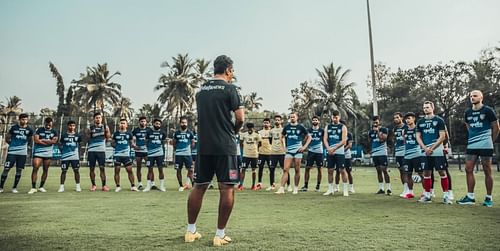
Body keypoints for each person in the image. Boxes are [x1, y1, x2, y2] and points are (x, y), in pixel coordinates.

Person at [185, 55, 244, 247]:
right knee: (226, 188)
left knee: (199, 186)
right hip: (225, 146)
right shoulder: (230, 89)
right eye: (232, 70)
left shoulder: (201, 91)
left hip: (204, 146)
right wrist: (233, 132)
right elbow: (240, 118)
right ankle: (219, 234)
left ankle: (190, 231)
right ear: (227, 70)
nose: (232, 74)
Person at [457, 90, 499, 207]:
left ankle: (488, 198)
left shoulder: (488, 110)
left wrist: (490, 140)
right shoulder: (468, 112)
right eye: (471, 96)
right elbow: (468, 125)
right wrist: (473, 136)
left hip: (486, 144)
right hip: (472, 144)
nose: (472, 97)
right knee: (468, 169)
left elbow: (496, 127)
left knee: (487, 170)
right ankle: (470, 197)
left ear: (481, 97)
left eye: (475, 96)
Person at [416, 101, 451, 204]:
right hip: (424, 151)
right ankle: (427, 195)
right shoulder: (420, 122)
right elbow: (418, 136)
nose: (425, 109)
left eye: (427, 107)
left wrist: (432, 148)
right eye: (424, 107)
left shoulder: (439, 120)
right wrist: (424, 148)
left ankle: (446, 195)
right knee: (426, 172)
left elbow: (442, 136)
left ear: (432, 108)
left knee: (442, 172)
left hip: (437, 150)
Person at [275, 112, 309, 195]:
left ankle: (296, 188)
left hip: (298, 151)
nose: (292, 118)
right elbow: (282, 137)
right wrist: (284, 147)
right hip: (289, 151)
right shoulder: (287, 127)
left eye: (293, 117)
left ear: (297, 117)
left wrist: (304, 147)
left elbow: (309, 137)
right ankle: (282, 188)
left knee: (297, 170)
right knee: (285, 169)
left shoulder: (301, 127)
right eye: (291, 117)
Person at [0, 114, 34, 193]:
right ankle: (1, 187)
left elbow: (30, 140)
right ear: (19, 119)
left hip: (22, 153)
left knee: (19, 170)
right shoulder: (13, 128)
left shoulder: (29, 129)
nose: (24, 121)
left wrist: (26, 147)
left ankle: (14, 188)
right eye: (23, 119)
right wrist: (12, 144)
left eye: (26, 119)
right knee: (6, 168)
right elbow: (7, 138)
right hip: (12, 152)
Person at [29, 117, 58, 194]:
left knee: (45, 169)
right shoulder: (39, 130)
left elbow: (54, 141)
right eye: (47, 124)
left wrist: (43, 140)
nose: (48, 126)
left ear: (52, 124)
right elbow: (36, 140)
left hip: (48, 153)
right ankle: (33, 187)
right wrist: (48, 142)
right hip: (38, 152)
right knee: (35, 168)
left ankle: (41, 187)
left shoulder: (54, 131)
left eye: (50, 125)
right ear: (44, 123)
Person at [323, 111, 348, 196]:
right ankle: (330, 189)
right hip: (330, 152)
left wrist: (334, 148)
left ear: (339, 117)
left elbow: (344, 141)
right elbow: (325, 139)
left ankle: (345, 190)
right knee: (330, 170)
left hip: (339, 152)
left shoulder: (343, 127)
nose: (334, 119)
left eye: (336, 117)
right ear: (331, 117)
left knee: (342, 170)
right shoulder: (328, 127)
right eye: (333, 117)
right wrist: (328, 148)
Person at [401, 112, 423, 199]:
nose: (407, 120)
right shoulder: (404, 131)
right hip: (407, 156)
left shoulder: (418, 129)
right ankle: (410, 192)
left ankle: (426, 191)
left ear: (414, 119)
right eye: (406, 119)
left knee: (421, 173)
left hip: (417, 155)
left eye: (409, 118)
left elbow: (421, 141)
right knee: (408, 174)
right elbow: (405, 142)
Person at [87, 112, 111, 192]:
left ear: (102, 119)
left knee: (102, 168)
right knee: (91, 169)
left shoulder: (105, 127)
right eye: (96, 118)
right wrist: (89, 133)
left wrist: (106, 132)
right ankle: (93, 185)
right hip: (92, 150)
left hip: (101, 151)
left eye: (99, 117)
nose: (98, 119)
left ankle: (104, 185)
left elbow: (108, 137)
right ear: (94, 119)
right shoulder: (90, 127)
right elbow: (88, 138)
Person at [368, 116, 391, 195]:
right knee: (378, 171)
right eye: (374, 122)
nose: (375, 123)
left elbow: (382, 139)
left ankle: (388, 188)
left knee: (384, 170)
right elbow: (371, 141)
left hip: (382, 153)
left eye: (376, 122)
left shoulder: (384, 130)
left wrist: (378, 131)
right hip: (375, 153)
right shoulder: (371, 132)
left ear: (379, 122)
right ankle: (381, 188)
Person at [111, 119, 137, 192]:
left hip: (126, 155)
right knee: (117, 170)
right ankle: (118, 186)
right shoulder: (116, 134)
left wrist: (136, 147)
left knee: (129, 170)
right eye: (121, 123)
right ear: (119, 125)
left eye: (124, 123)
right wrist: (118, 147)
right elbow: (112, 143)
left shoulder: (129, 134)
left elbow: (132, 144)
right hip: (117, 155)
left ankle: (133, 186)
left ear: (126, 125)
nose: (122, 124)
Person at [143, 118, 167, 192]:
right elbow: (146, 142)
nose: (158, 125)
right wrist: (149, 150)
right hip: (150, 154)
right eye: (156, 124)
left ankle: (162, 186)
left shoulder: (163, 132)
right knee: (150, 169)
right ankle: (148, 186)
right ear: (153, 124)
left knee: (160, 169)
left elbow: (163, 142)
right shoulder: (148, 132)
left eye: (159, 124)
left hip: (160, 154)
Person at [58, 120, 82, 192]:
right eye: (70, 125)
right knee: (64, 171)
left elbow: (80, 145)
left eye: (73, 126)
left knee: (76, 171)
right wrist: (62, 152)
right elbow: (60, 144)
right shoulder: (64, 135)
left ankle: (78, 186)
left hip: (75, 157)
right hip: (65, 156)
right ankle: (61, 186)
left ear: (75, 127)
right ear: (68, 126)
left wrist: (79, 154)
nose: (72, 127)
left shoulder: (78, 135)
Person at [301, 116, 324, 192]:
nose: (314, 121)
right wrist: (305, 140)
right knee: (307, 168)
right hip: (311, 151)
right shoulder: (308, 130)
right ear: (312, 121)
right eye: (313, 120)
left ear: (319, 121)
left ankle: (318, 186)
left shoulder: (322, 131)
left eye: (316, 120)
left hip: (319, 152)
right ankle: (306, 186)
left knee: (320, 169)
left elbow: (325, 140)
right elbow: (304, 140)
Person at [173, 116, 195, 192]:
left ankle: (192, 184)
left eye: (185, 122)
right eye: (182, 122)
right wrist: (178, 150)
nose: (184, 124)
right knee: (178, 170)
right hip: (178, 155)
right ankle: (181, 185)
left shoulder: (190, 133)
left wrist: (189, 150)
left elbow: (192, 143)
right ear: (180, 123)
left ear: (187, 123)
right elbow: (174, 143)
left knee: (191, 170)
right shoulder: (176, 133)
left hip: (188, 154)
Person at [267, 115, 288, 191]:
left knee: (285, 169)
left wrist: (285, 148)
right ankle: (272, 185)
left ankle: (288, 185)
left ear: (281, 121)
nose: (277, 121)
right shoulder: (271, 131)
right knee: (272, 169)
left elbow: (287, 140)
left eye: (278, 120)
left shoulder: (284, 130)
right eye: (276, 120)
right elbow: (270, 141)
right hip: (273, 153)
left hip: (282, 152)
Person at [239, 123, 261, 190]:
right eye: (248, 128)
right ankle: (241, 185)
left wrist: (255, 149)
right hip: (246, 155)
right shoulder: (244, 134)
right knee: (243, 169)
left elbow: (260, 143)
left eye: (251, 128)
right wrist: (245, 149)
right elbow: (241, 143)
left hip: (254, 155)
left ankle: (253, 185)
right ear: (247, 128)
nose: (250, 130)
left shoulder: (257, 135)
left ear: (253, 128)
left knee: (254, 170)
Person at [335, 120, 355, 193]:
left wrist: (342, 150)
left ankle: (351, 187)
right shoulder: (337, 134)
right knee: (337, 171)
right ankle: (336, 187)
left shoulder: (349, 134)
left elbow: (350, 145)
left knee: (348, 171)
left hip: (346, 155)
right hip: (338, 155)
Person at [392, 112, 408, 197]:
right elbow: (395, 140)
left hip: (406, 152)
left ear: (401, 118)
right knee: (401, 171)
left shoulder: (406, 127)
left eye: (397, 117)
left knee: (406, 171)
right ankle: (405, 189)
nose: (396, 119)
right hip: (398, 153)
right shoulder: (394, 129)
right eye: (394, 118)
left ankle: (409, 190)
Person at [132, 116, 149, 190]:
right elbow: (131, 139)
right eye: (141, 121)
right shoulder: (135, 130)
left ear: (146, 122)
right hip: (138, 151)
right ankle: (140, 184)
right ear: (139, 122)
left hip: (146, 151)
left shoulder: (149, 130)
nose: (143, 122)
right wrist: (134, 146)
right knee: (139, 168)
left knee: (150, 167)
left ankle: (151, 183)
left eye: (144, 121)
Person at [257, 118, 272, 190]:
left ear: (269, 124)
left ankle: (272, 184)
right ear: (263, 124)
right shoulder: (259, 132)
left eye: (267, 123)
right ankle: (259, 183)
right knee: (260, 168)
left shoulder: (271, 132)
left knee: (271, 168)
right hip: (261, 153)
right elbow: (258, 143)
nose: (266, 124)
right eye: (264, 123)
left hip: (270, 153)